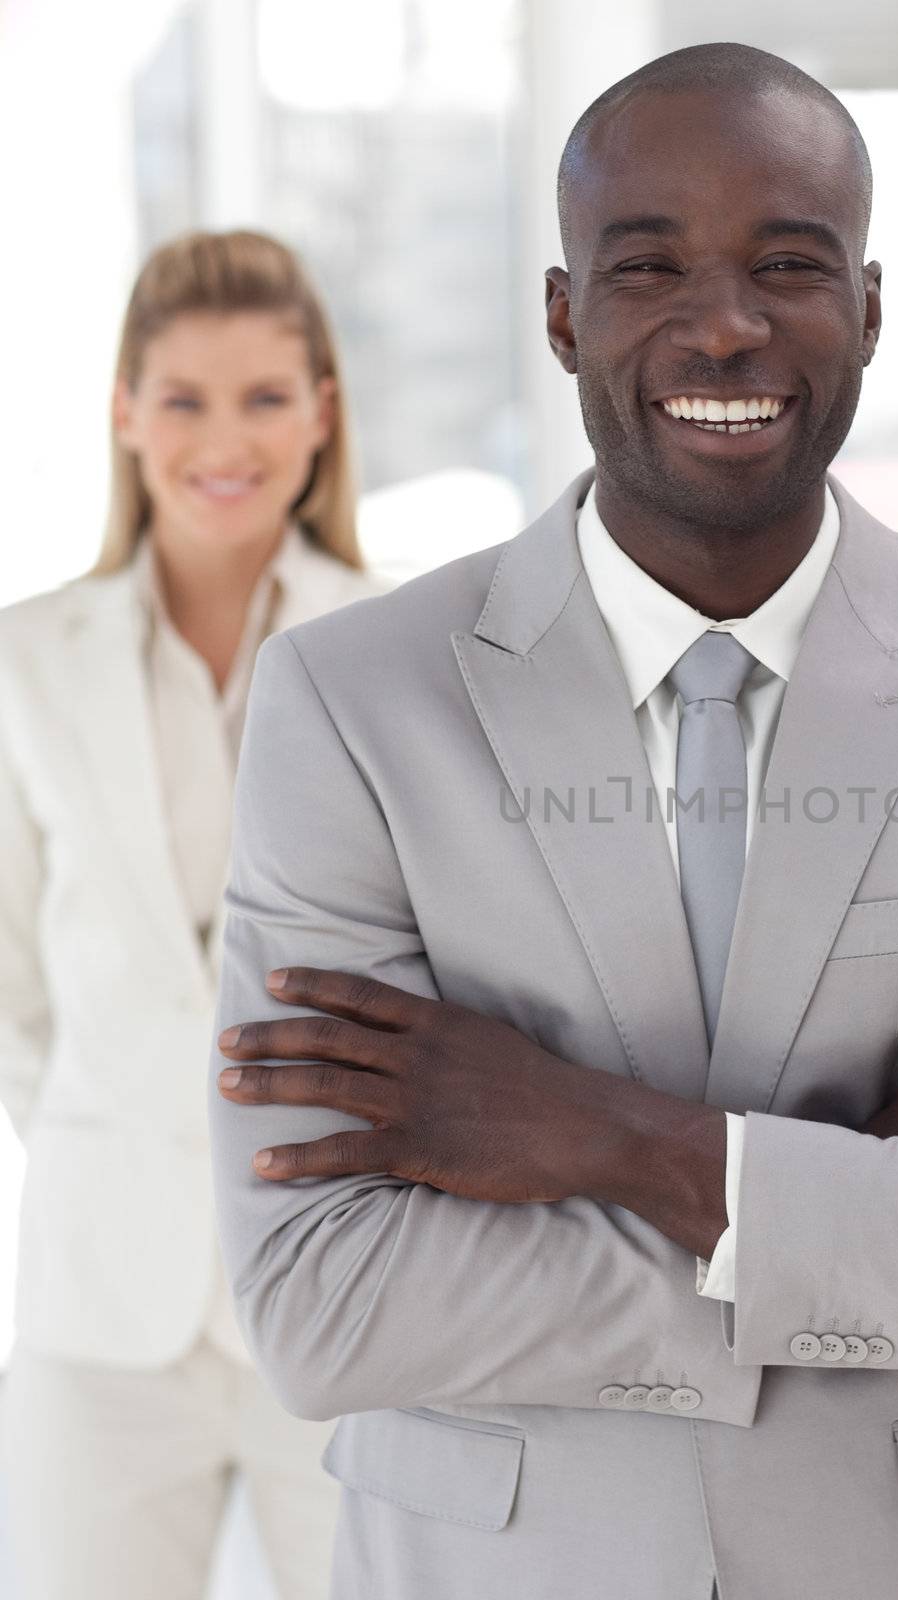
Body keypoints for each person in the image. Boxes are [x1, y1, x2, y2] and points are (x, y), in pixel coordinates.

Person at [208, 47, 898, 1600]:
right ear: (563, 315)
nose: (727, 324)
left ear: (871, 311)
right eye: (649, 266)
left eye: (787, 264)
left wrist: (615, 1142)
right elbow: (325, 1302)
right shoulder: (352, 705)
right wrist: (884, 1165)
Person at [0, 229, 388, 1599]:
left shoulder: (397, 655)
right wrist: (115, 1129)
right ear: (122, 412)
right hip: (100, 1305)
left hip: (342, 1286)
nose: (224, 439)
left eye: (266, 397)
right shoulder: (25, 661)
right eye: (183, 398)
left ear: (323, 414)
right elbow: (14, 996)